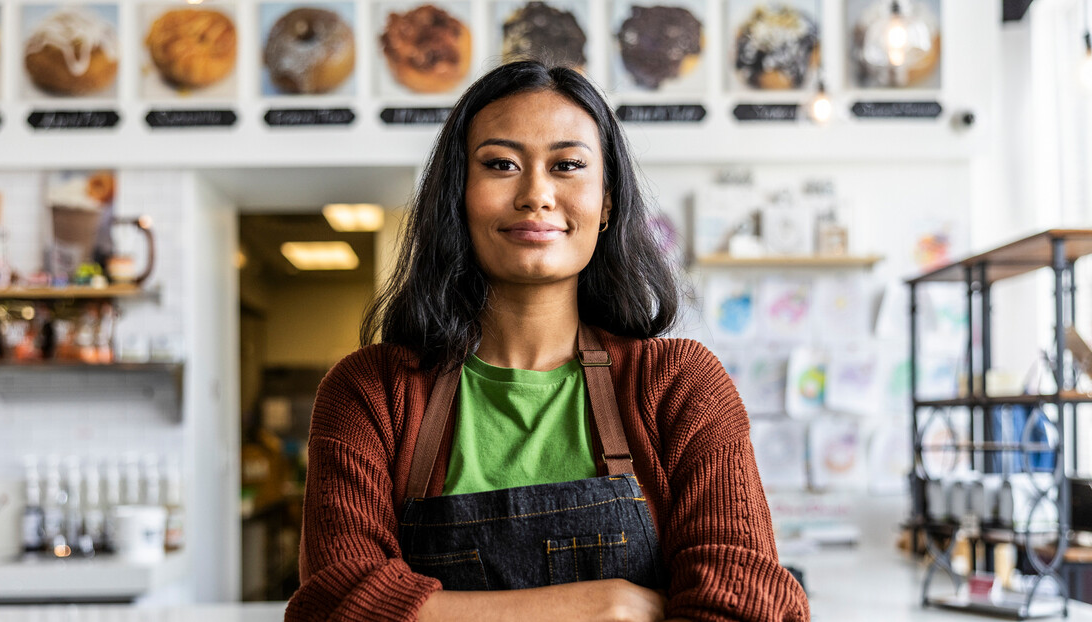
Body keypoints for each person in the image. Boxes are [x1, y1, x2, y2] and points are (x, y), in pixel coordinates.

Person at [286, 61, 809, 622]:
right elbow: (334, 606)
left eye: (568, 165)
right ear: (458, 196)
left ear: (607, 203)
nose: (536, 193)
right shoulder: (370, 394)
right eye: (501, 164)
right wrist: (604, 606)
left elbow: (749, 609)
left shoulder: (679, 385)